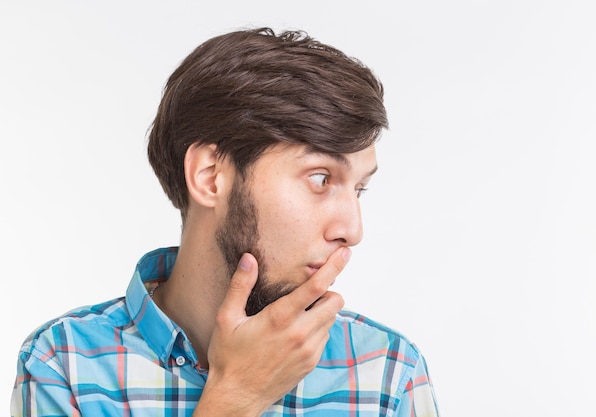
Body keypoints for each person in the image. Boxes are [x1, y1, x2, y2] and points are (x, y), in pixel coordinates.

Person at [11, 27, 439, 416]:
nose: (352, 230)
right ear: (211, 178)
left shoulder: (387, 374)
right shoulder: (64, 365)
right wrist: (236, 397)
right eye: (321, 178)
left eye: (358, 189)